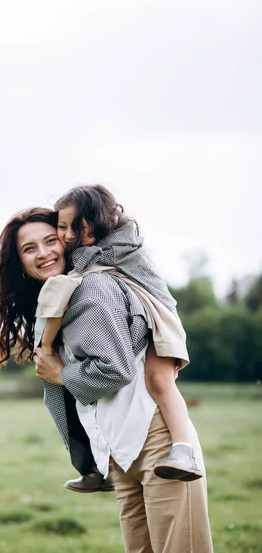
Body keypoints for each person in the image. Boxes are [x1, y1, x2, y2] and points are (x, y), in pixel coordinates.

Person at [0, 205, 214, 553]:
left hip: (156, 443)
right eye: (30, 248)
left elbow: (114, 369)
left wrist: (61, 374)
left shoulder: (92, 288)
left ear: (67, 239)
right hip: (121, 452)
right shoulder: (61, 298)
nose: (43, 252)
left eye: (50, 240)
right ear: (20, 263)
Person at [37, 184, 202, 486]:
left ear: (100, 222)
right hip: (137, 312)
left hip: (159, 316)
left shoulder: (119, 244)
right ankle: (100, 467)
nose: (70, 235)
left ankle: (183, 449)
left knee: (159, 380)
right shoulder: (89, 253)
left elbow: (71, 280)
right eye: (62, 227)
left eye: (80, 227)